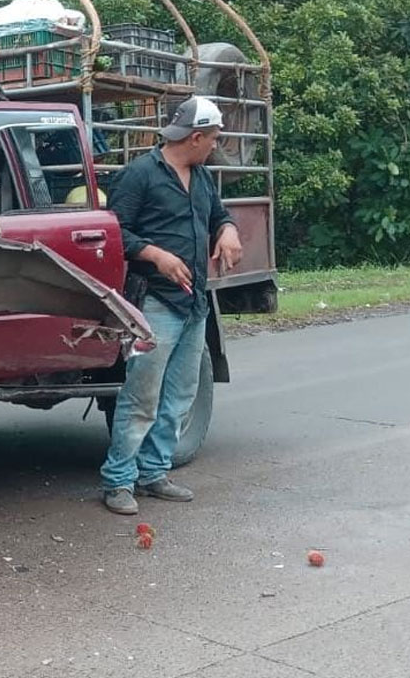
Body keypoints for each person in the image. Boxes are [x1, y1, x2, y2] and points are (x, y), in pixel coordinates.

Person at [101, 96, 243, 515]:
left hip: (194, 301)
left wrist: (229, 230)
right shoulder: (139, 175)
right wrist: (154, 254)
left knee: (180, 394)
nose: (215, 145)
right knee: (141, 396)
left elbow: (218, 214)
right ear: (195, 136)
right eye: (213, 138)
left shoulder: (201, 177)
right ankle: (118, 481)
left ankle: (153, 472)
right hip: (155, 303)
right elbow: (114, 233)